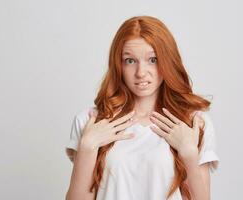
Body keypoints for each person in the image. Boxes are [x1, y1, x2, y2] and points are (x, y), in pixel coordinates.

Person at [65, 15, 219, 200]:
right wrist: (88, 146)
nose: (141, 72)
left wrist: (189, 154)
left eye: (152, 60)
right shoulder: (90, 121)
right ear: (118, 64)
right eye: (130, 61)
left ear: (167, 61)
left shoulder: (194, 123)